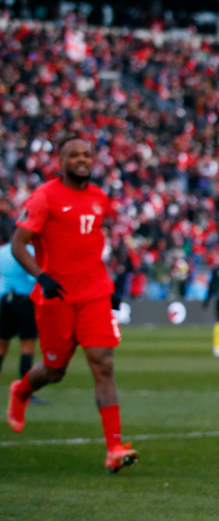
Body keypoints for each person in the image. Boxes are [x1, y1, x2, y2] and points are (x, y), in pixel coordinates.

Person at [6, 136, 138, 472]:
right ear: (60, 160)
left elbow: (91, 246)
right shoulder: (44, 197)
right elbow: (18, 244)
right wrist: (42, 277)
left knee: (103, 364)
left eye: (86, 155)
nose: (82, 160)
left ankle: (114, 448)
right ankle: (21, 391)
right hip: (56, 298)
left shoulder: (99, 198)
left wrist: (106, 287)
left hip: (93, 295)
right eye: (74, 155)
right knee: (55, 370)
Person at [0, 242, 48, 404]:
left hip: (5, 301)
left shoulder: (3, 251)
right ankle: (26, 392)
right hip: (25, 301)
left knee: (1, 346)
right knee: (27, 346)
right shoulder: (30, 252)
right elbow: (34, 276)